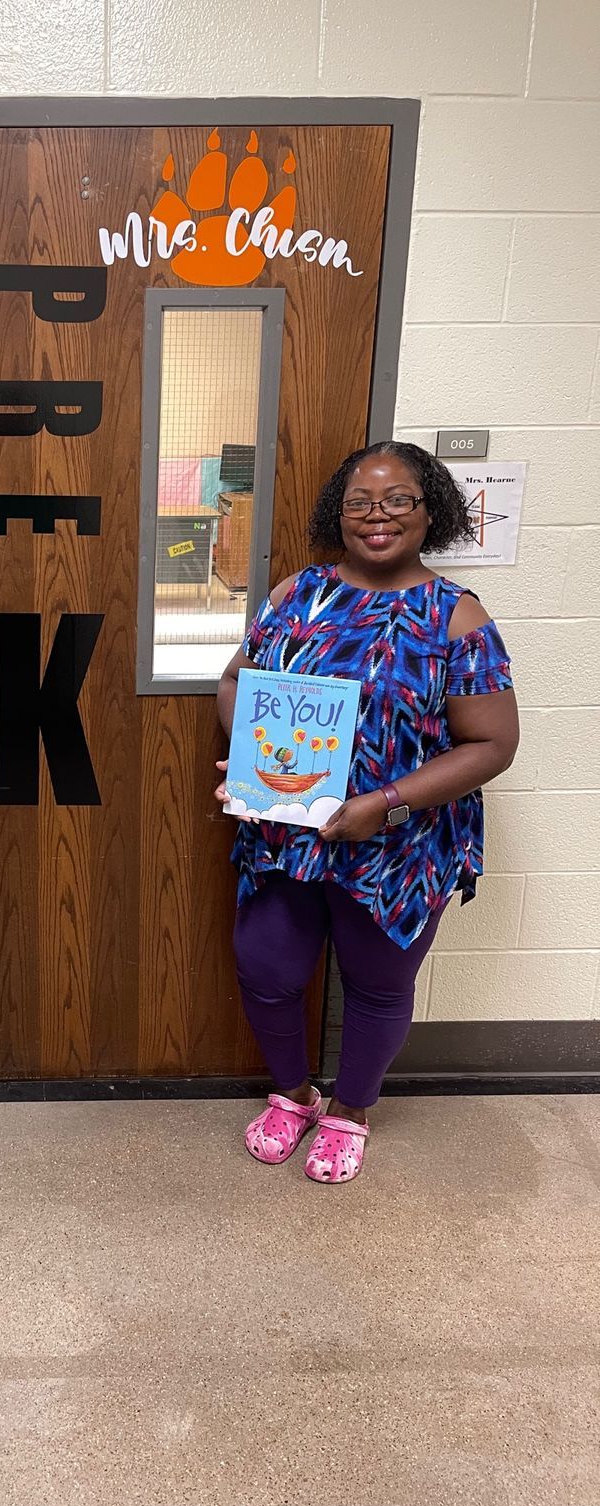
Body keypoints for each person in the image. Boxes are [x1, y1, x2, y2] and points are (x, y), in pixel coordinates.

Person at [214, 441, 519, 1184]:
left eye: (397, 500)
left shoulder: (457, 618)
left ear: (431, 510)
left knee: (378, 983)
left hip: (400, 843)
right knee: (266, 968)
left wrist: (380, 805)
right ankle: (292, 1095)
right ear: (337, 513)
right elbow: (235, 682)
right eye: (359, 502)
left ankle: (351, 1110)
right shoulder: (298, 595)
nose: (376, 516)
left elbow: (492, 743)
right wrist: (253, 764)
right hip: (291, 831)